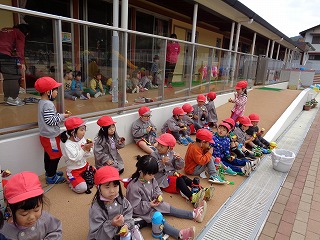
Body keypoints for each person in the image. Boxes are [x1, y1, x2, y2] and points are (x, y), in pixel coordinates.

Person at [126, 155, 207, 240]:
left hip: (152, 203)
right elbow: (134, 207)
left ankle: (194, 215)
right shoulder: (133, 187)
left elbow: (156, 188)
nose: (153, 177)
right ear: (141, 171)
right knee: (158, 219)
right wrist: (149, 204)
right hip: (142, 212)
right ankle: (180, 234)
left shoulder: (151, 179)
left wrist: (158, 195)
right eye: (150, 174)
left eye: (154, 174)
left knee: (169, 208)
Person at [151, 133, 214, 207]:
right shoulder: (154, 155)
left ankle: (202, 190)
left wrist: (178, 160)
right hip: (162, 179)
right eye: (158, 144)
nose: (158, 147)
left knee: (184, 178)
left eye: (161, 146)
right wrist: (162, 163)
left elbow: (179, 167)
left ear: (170, 148)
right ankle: (192, 197)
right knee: (180, 180)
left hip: (173, 174)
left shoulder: (172, 153)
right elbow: (152, 169)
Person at [0, 172, 62, 239]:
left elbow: (56, 230)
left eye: (36, 210)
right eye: (24, 214)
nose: (32, 217)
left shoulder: (45, 218)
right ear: (10, 211)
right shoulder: (4, 231)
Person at [88, 166, 143, 240]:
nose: (112, 191)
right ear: (97, 187)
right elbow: (97, 234)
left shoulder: (122, 200)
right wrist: (112, 224)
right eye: (107, 187)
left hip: (121, 231)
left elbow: (128, 212)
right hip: (104, 236)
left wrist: (126, 225)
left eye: (115, 185)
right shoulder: (95, 209)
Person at [35, 76, 69, 184]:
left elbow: (49, 118)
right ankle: (51, 176)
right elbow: (51, 121)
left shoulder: (41, 102)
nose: (57, 93)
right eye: (55, 90)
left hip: (45, 135)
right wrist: (63, 116)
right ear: (47, 92)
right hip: (51, 137)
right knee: (56, 156)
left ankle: (49, 172)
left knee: (48, 155)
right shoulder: (48, 104)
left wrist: (59, 116)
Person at [60, 117, 94, 194]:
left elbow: (89, 154)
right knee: (82, 188)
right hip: (74, 170)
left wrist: (88, 149)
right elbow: (75, 158)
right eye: (81, 130)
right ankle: (71, 181)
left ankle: (81, 179)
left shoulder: (82, 139)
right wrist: (84, 148)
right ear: (73, 132)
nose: (84, 132)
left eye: (84, 129)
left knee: (98, 175)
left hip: (85, 166)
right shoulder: (68, 145)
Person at [0, 24, 30, 106]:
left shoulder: (3, 30)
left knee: (7, 77)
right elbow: (20, 48)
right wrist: (22, 61)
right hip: (4, 55)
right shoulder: (19, 33)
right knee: (13, 76)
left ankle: (7, 99)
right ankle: (12, 98)